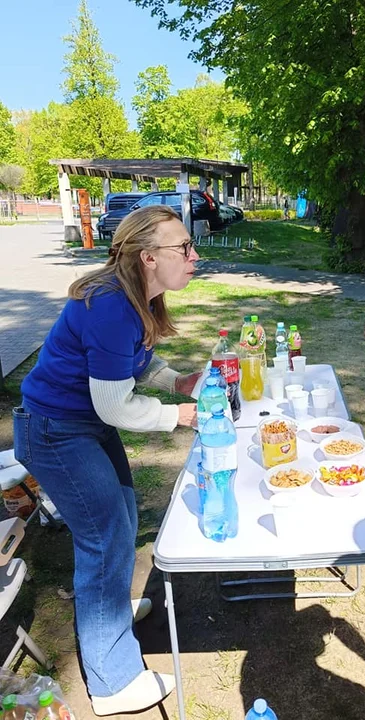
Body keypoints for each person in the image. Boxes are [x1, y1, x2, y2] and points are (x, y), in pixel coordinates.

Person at [13, 205, 202, 715]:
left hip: (81, 425)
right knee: (104, 539)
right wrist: (179, 414)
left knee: (122, 522)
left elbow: (137, 357)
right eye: (182, 248)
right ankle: (114, 683)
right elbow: (115, 404)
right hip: (56, 432)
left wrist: (175, 382)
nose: (194, 255)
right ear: (147, 257)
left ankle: (110, 615)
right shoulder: (112, 304)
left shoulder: (136, 298)